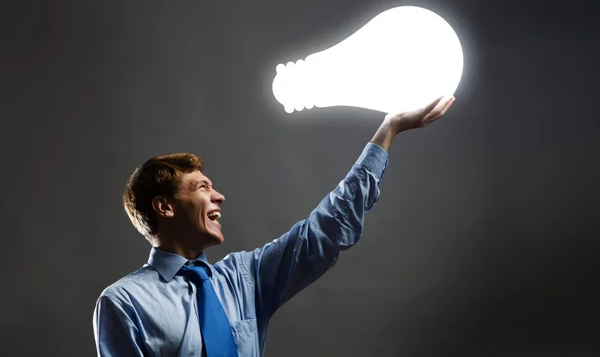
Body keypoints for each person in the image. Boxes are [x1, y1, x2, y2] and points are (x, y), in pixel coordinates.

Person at [93, 95, 455, 357]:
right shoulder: (124, 303)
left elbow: (324, 230)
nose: (219, 197)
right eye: (202, 187)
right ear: (165, 207)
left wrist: (388, 130)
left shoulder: (243, 279)